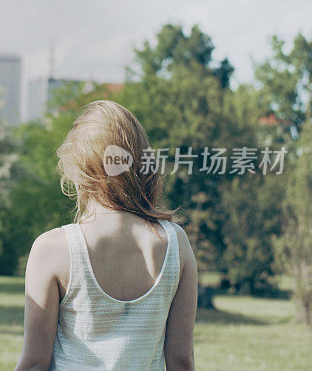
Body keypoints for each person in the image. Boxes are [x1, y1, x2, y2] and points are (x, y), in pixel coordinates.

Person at [15, 100, 197, 371]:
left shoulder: (53, 249)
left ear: (80, 167)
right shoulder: (175, 243)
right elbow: (181, 360)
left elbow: (34, 364)